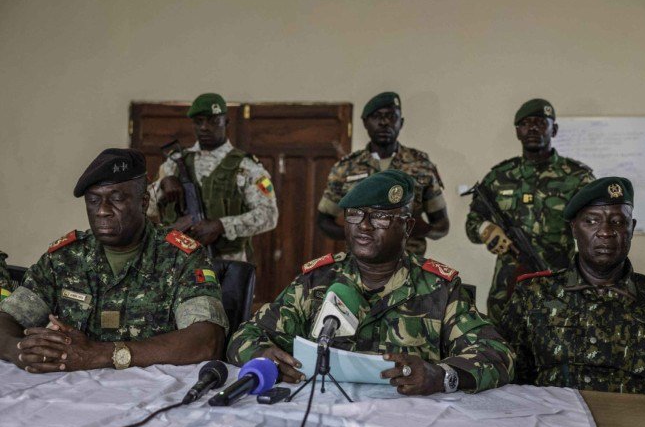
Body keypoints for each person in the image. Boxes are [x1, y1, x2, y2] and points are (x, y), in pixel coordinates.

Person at [228, 170, 514, 395]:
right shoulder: (316, 281)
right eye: (354, 214)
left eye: (380, 216)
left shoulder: (439, 289)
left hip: (411, 424)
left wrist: (442, 376)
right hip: (328, 416)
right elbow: (245, 335)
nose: (364, 225)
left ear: (407, 227)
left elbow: (498, 354)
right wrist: (264, 356)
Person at [0, 148, 228, 373]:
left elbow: (207, 341)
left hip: (152, 390)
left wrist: (100, 354)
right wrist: (18, 349)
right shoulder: (64, 258)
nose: (102, 211)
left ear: (144, 202)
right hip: (72, 390)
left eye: (116, 199)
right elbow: (7, 319)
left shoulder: (181, 257)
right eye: (93, 200)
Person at [501, 177, 645, 395]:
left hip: (644, 416)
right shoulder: (533, 294)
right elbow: (507, 378)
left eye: (618, 222)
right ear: (574, 229)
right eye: (591, 221)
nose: (605, 232)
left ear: (632, 228)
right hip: (554, 415)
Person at [465, 98, 595, 323]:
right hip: (506, 289)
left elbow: (595, 230)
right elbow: (472, 222)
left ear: (554, 129)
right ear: (517, 131)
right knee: (502, 342)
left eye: (541, 122)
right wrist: (486, 229)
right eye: (526, 123)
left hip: (559, 285)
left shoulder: (577, 177)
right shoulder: (499, 176)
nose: (533, 128)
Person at [147, 93, 278, 262]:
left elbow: (269, 215)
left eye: (213, 121)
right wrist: (163, 184)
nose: (204, 127)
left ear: (226, 122)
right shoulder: (175, 163)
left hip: (227, 263)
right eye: (198, 121)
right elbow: (146, 207)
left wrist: (221, 225)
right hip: (178, 263)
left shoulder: (246, 167)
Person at [317, 92, 449, 256]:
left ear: (401, 122)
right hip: (361, 263)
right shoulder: (346, 168)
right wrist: (356, 232)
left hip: (408, 262)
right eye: (376, 116)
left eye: (391, 116)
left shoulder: (421, 166)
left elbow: (442, 225)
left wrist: (423, 229)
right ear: (365, 122)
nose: (384, 122)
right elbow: (323, 221)